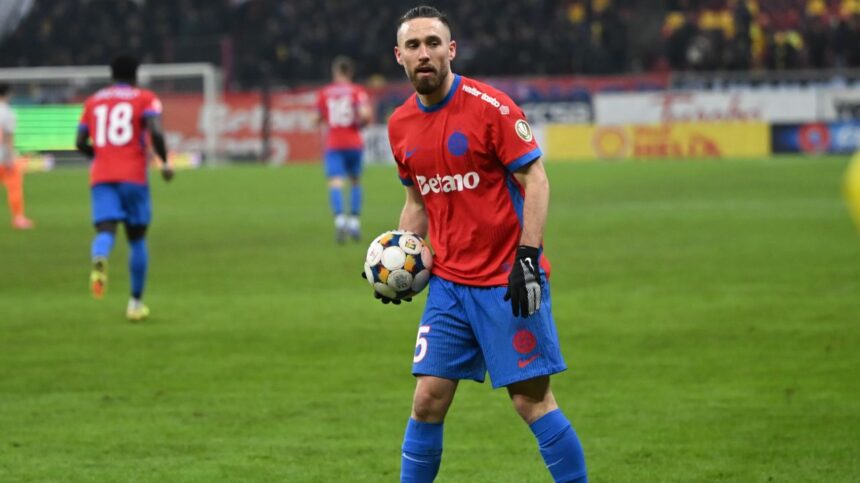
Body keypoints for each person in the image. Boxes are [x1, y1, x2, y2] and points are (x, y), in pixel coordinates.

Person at [384, 6, 587, 482]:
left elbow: (536, 179)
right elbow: (417, 200)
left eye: (433, 43)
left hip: (507, 281)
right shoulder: (400, 125)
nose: (424, 53)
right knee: (427, 399)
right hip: (449, 285)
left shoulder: (491, 107)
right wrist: (400, 261)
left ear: (451, 50)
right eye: (413, 46)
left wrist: (528, 258)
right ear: (399, 56)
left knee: (531, 401)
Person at [76, 55, 174, 321]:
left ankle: (100, 256)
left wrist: (100, 156)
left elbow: (80, 141)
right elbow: (156, 132)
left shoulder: (93, 101)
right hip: (133, 176)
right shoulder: (145, 98)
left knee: (105, 230)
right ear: (136, 75)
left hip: (101, 176)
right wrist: (164, 162)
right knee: (137, 239)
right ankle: (135, 304)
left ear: (111, 74)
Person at [315, 55, 372, 243]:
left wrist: (321, 119)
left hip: (334, 143)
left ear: (335, 72)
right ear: (350, 72)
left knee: (335, 182)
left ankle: (340, 221)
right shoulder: (357, 91)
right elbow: (365, 115)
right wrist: (361, 123)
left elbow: (317, 118)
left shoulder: (325, 93)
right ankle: (354, 222)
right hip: (354, 142)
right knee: (355, 181)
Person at [0, 83, 35, 230]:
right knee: (14, 188)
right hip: (3, 158)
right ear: (8, 94)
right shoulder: (7, 113)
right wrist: (9, 159)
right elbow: (8, 138)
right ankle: (18, 218)